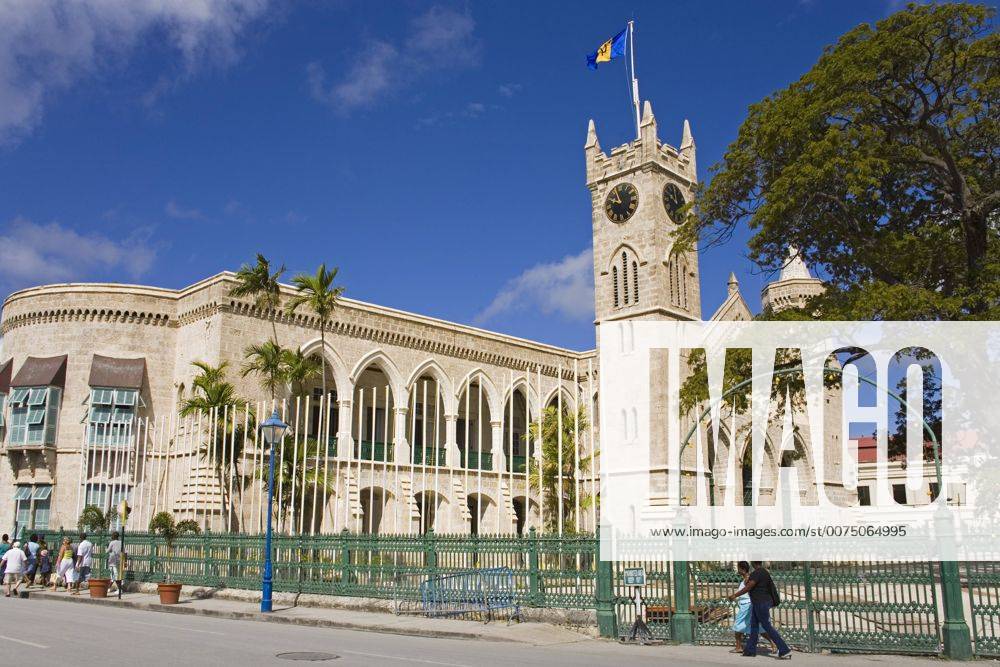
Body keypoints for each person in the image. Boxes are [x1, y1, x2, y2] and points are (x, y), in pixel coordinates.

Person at [728, 561, 792, 659]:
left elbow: (749, 587)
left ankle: (784, 649)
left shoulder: (757, 573)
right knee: (754, 627)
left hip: (760, 603)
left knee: (767, 626)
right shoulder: (765, 572)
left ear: (753, 563)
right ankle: (750, 650)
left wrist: (735, 595)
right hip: (758, 603)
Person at [732, 561, 776, 654]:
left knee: (737, 626)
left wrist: (734, 595)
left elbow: (748, 589)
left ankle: (738, 647)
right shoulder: (746, 578)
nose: (738, 570)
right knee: (759, 628)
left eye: (739, 568)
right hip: (747, 605)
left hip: (746, 606)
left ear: (743, 569)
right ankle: (773, 643)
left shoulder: (747, 578)